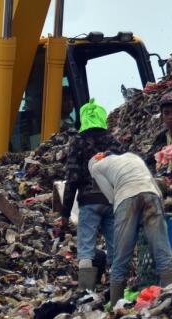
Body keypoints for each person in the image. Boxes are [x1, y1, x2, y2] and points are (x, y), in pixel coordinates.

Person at [88, 151, 172, 306]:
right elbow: (152, 182)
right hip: (151, 194)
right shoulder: (131, 157)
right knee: (162, 253)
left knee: (121, 258)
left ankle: (116, 307)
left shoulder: (96, 167)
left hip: (126, 198)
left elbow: (112, 196)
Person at [60, 99, 120, 291]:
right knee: (115, 247)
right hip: (111, 200)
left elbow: (72, 178)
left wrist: (65, 213)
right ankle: (116, 289)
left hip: (88, 201)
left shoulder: (78, 141)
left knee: (86, 248)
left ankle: (85, 291)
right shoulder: (112, 141)